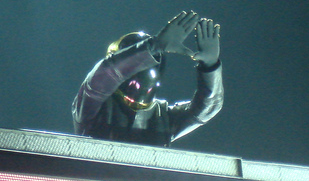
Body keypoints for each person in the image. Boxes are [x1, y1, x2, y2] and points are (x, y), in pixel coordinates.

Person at [72, 11, 223, 146]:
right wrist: (155, 46)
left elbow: (206, 108)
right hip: (98, 177)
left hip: (145, 178)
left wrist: (210, 66)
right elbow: (106, 74)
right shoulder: (94, 105)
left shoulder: (162, 116)